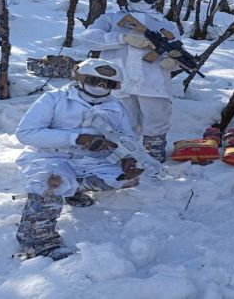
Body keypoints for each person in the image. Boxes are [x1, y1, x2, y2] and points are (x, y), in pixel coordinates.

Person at [15, 59, 144, 260]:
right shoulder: (54, 99)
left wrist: (127, 159)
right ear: (79, 78)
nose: (101, 87)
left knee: (126, 178)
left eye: (107, 84)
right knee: (51, 183)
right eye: (94, 80)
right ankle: (38, 242)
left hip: (89, 160)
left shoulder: (115, 107)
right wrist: (75, 138)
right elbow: (26, 133)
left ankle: (72, 188)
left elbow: (126, 138)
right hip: (50, 156)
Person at [81, 0, 182, 162]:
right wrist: (122, 38)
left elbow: (177, 52)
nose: (142, 1)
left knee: (156, 122)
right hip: (119, 82)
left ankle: (153, 158)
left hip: (154, 83)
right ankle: (125, 157)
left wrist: (174, 63)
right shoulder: (111, 19)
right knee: (122, 123)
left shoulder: (167, 25)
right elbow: (88, 38)